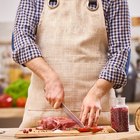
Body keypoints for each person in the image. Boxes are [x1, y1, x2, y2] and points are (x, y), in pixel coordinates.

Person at [12, 0, 131, 128]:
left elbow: (120, 51)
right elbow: (21, 40)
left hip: (97, 116)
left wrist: (97, 92)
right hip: (41, 115)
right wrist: (49, 78)